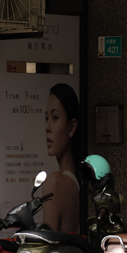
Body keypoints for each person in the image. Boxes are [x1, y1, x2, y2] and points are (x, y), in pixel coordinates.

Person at [39, 83, 81, 232]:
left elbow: (49, 244)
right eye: (46, 118)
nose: (47, 127)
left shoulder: (55, 183)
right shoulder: (77, 185)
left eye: (55, 117)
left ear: (71, 127)